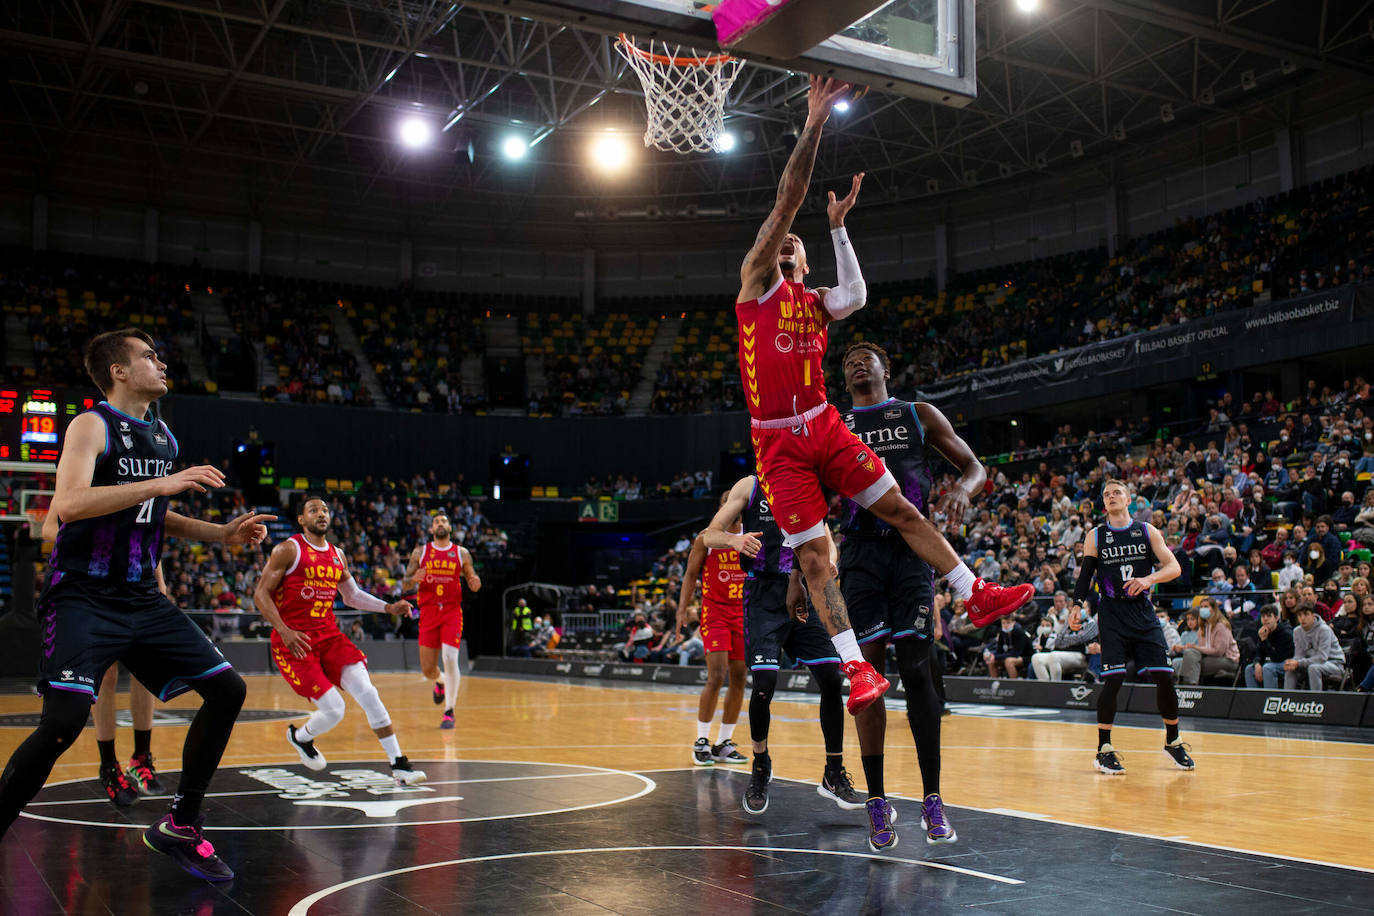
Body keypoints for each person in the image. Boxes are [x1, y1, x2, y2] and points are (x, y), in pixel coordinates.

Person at [732, 76, 1032, 718]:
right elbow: (787, 200)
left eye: (797, 246)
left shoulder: (816, 302)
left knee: (901, 507)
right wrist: (813, 124)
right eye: (782, 240)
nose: (786, 243)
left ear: (807, 261)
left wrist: (837, 229)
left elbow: (859, 297)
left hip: (823, 423)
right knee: (815, 557)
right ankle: (856, 666)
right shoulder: (757, 286)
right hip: (777, 443)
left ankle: (972, 589)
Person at [0, 328, 270, 882]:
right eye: (149, 355)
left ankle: (181, 825)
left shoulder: (163, 437)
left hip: (142, 598)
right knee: (63, 722)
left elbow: (155, 515)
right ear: (118, 371)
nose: (161, 361)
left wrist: (222, 534)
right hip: (83, 596)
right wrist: (160, 486)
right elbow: (70, 506)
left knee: (227, 690)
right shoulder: (90, 425)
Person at [836, 341, 1023, 850]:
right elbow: (809, 497)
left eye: (865, 357)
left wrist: (965, 489)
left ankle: (932, 798)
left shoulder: (916, 413)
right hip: (858, 556)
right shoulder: (836, 423)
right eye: (847, 360)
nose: (855, 363)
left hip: (913, 553)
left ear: (884, 368)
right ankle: (877, 802)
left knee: (920, 673)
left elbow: (975, 466)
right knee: (867, 680)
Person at [702, 475, 861, 817]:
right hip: (762, 596)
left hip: (803, 588)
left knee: (832, 679)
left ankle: (833, 772)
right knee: (763, 685)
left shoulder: (804, 481)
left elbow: (825, 535)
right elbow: (709, 535)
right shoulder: (748, 486)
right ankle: (761, 764)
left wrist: (830, 558)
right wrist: (736, 539)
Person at [254, 496, 426, 786]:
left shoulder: (338, 555)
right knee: (334, 709)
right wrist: (283, 629)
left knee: (369, 693)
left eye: (324, 510)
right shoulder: (288, 549)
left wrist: (389, 607)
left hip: (330, 637)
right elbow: (260, 594)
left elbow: (353, 596)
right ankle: (300, 737)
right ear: (301, 519)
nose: (321, 514)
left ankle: (399, 765)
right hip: (295, 641)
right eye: (313, 510)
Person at [40, 510, 167, 807]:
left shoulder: (139, 479)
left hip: (137, 585)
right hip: (93, 589)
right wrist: (93, 544)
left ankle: (142, 757)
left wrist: (159, 578)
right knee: (106, 675)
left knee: (143, 671)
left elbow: (149, 535)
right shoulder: (85, 477)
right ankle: (108, 764)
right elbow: (48, 528)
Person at [1069, 478, 1194, 775]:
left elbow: (1174, 566)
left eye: (1117, 493)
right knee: (1113, 678)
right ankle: (1104, 749)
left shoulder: (1146, 531)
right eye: (1107, 494)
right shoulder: (1096, 535)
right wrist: (1076, 605)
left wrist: (1149, 579)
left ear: (1129, 500)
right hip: (1111, 613)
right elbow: (1086, 576)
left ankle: (1173, 741)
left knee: (1164, 675)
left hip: (1143, 612)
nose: (1112, 497)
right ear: (1104, 503)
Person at [677, 493, 749, 766]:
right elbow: (691, 574)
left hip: (743, 612)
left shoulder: (753, 535)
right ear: (721, 508)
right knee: (716, 675)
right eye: (727, 502)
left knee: (740, 676)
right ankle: (702, 740)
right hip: (715, 611)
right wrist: (681, 609)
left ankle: (724, 742)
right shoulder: (707, 537)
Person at [401, 512, 481, 729]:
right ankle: (440, 681)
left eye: (444, 521)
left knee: (449, 658)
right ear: (431, 529)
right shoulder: (421, 551)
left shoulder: (461, 553)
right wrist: (412, 579)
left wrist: (474, 582)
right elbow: (405, 584)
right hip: (428, 612)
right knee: (428, 670)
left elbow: (473, 578)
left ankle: (449, 711)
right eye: (436, 522)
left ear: (450, 527)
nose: (440, 524)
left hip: (451, 612)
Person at [1176, 597, 1239, 685]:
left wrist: (1197, 648)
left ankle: (1189, 686)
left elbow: (1218, 652)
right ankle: (1189, 684)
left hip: (1227, 660)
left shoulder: (1220, 626)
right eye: (1201, 607)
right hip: (1210, 658)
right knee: (1190, 653)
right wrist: (1192, 648)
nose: (1203, 609)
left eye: (1206, 606)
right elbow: (1203, 651)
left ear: (1214, 609)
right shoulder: (1202, 628)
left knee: (1194, 663)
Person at [1286, 602, 1345, 690]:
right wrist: (1292, 663)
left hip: (1334, 663)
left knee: (1313, 668)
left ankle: (1316, 700)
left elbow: (1322, 658)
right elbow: (1299, 655)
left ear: (1313, 615)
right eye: (1299, 615)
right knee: (1291, 669)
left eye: (1306, 615)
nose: (1302, 618)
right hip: (1311, 662)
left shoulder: (1324, 630)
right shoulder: (1297, 631)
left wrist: (1298, 663)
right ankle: (1287, 699)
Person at [1246, 605, 1295, 688]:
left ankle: (1269, 698)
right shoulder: (1262, 631)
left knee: (1267, 668)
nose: (1265, 619)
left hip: (1286, 662)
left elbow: (1277, 658)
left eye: (1269, 616)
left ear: (1276, 618)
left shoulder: (1285, 633)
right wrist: (1257, 663)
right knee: (1249, 669)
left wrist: (1264, 640)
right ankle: (1253, 699)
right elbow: (1258, 653)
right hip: (1272, 661)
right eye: (1263, 616)